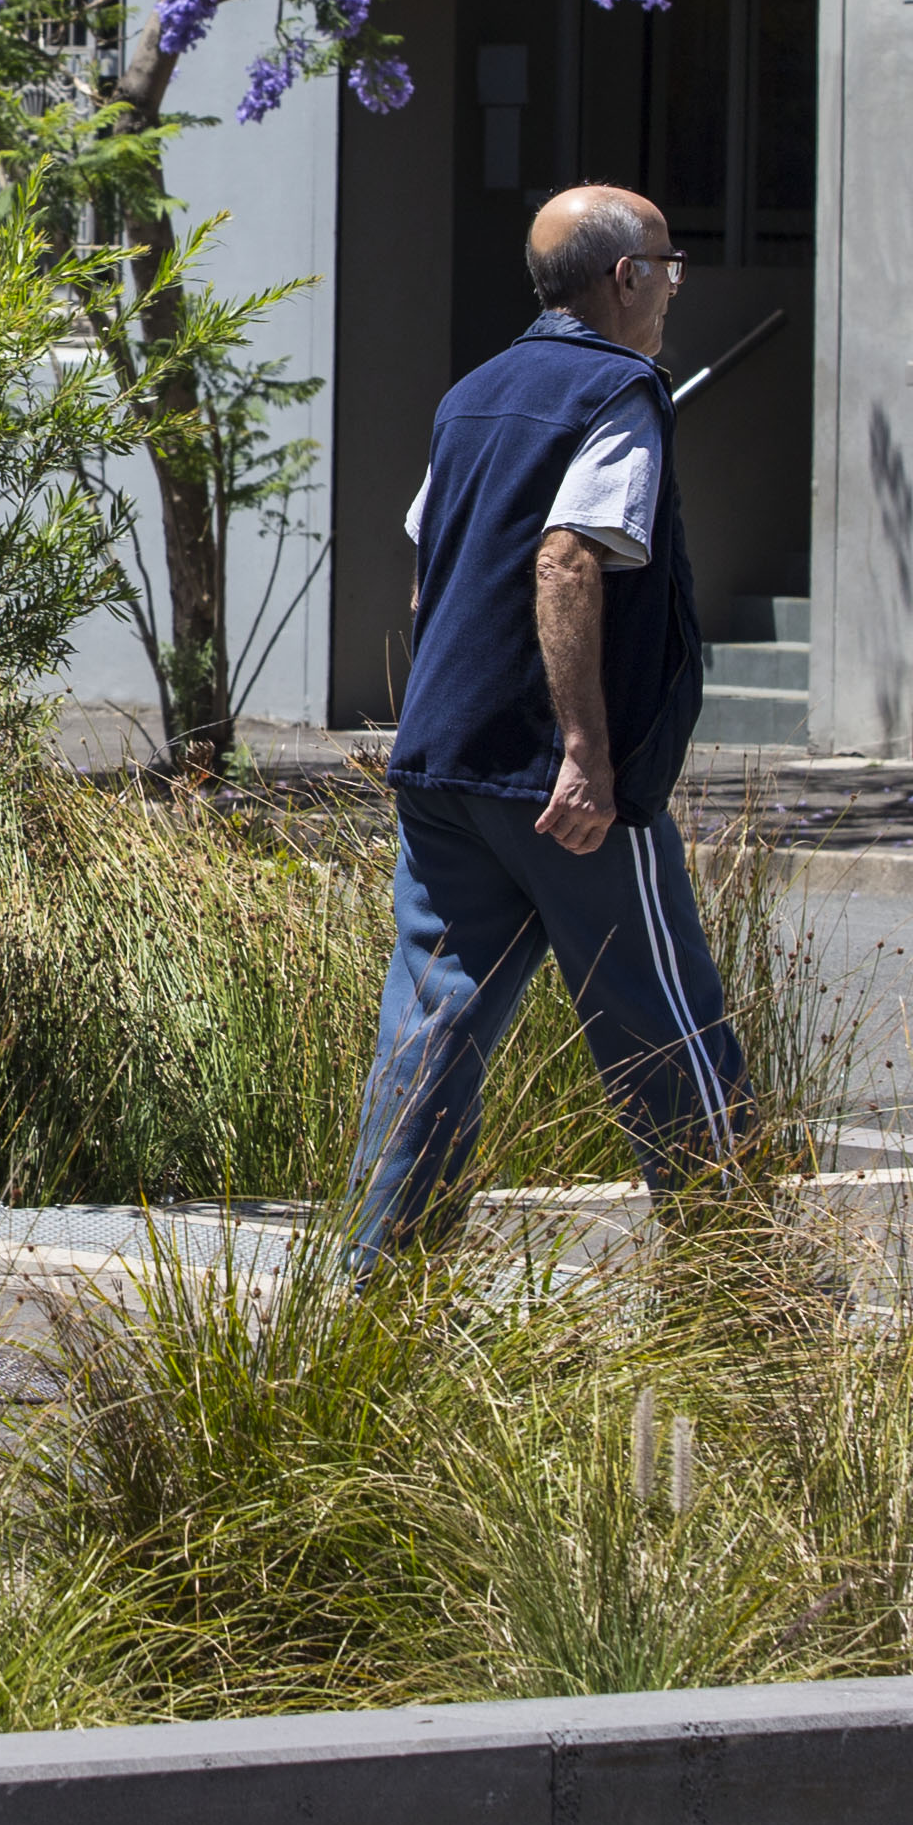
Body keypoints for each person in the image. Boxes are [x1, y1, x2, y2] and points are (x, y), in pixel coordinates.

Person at [353, 182, 747, 1265]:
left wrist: (442, 722)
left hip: (442, 766)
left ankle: (374, 1293)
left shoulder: (472, 395)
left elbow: (434, 569)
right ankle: (747, 1282)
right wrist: (585, 752)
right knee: (669, 1027)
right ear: (625, 279)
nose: (671, 288)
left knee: (428, 1035)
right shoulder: (620, 391)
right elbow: (569, 555)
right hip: (556, 784)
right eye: (668, 268)